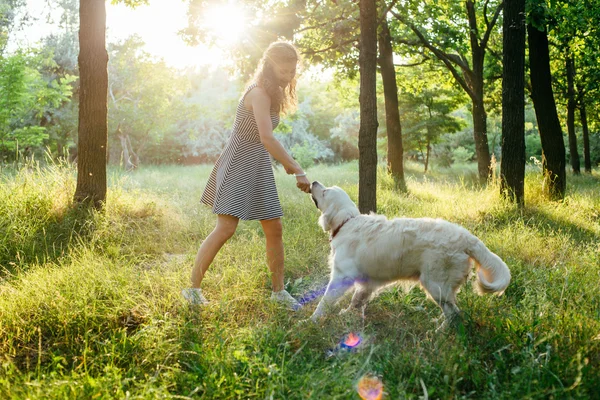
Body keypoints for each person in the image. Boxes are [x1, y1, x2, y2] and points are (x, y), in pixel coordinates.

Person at [182, 41, 310, 310]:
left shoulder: (272, 92)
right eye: (284, 71)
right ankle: (192, 290)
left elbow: (265, 141)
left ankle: (278, 292)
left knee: (274, 228)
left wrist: (290, 165)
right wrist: (296, 168)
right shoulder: (259, 94)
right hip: (240, 161)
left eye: (292, 72)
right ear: (271, 66)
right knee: (226, 228)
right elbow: (266, 137)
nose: (288, 77)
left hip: (258, 164)